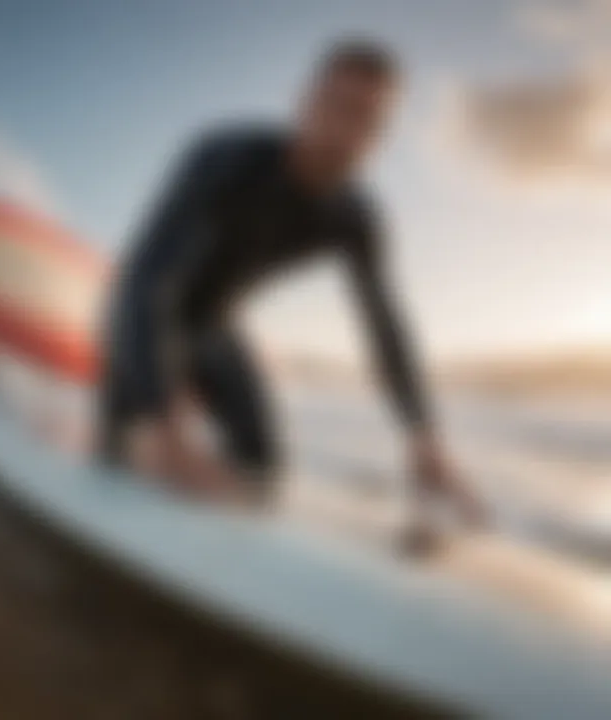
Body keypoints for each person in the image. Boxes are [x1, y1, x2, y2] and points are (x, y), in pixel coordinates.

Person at [97, 39, 482, 523]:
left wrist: (423, 436)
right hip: (154, 316)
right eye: (338, 107)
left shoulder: (355, 217)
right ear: (306, 103)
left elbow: (385, 326)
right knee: (118, 455)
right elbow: (146, 280)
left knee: (263, 471)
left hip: (215, 329)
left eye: (368, 121)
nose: (347, 132)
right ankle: (126, 441)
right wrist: (164, 419)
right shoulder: (226, 159)